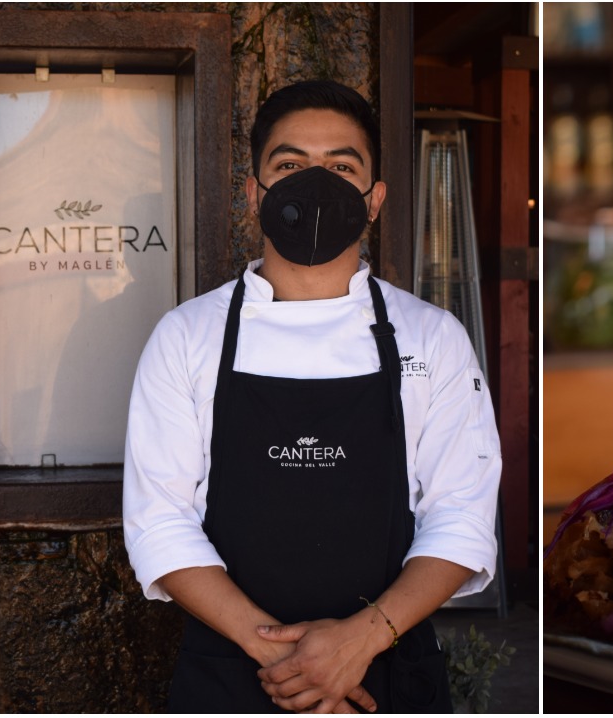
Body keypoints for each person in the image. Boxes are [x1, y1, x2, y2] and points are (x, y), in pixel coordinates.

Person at [122, 80, 502, 713]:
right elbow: (160, 523)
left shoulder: (433, 337)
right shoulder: (186, 337)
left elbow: (461, 517)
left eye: (342, 167)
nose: (315, 183)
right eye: (291, 165)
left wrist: (361, 641)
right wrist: (293, 661)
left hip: (385, 676)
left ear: (374, 199)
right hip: (233, 675)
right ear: (255, 192)